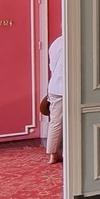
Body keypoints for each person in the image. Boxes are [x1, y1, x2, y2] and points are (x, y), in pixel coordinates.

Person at [45, 34, 64, 164]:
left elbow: (52, 67)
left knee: (56, 122)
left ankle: (53, 154)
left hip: (54, 86)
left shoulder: (57, 42)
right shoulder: (76, 41)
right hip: (65, 87)